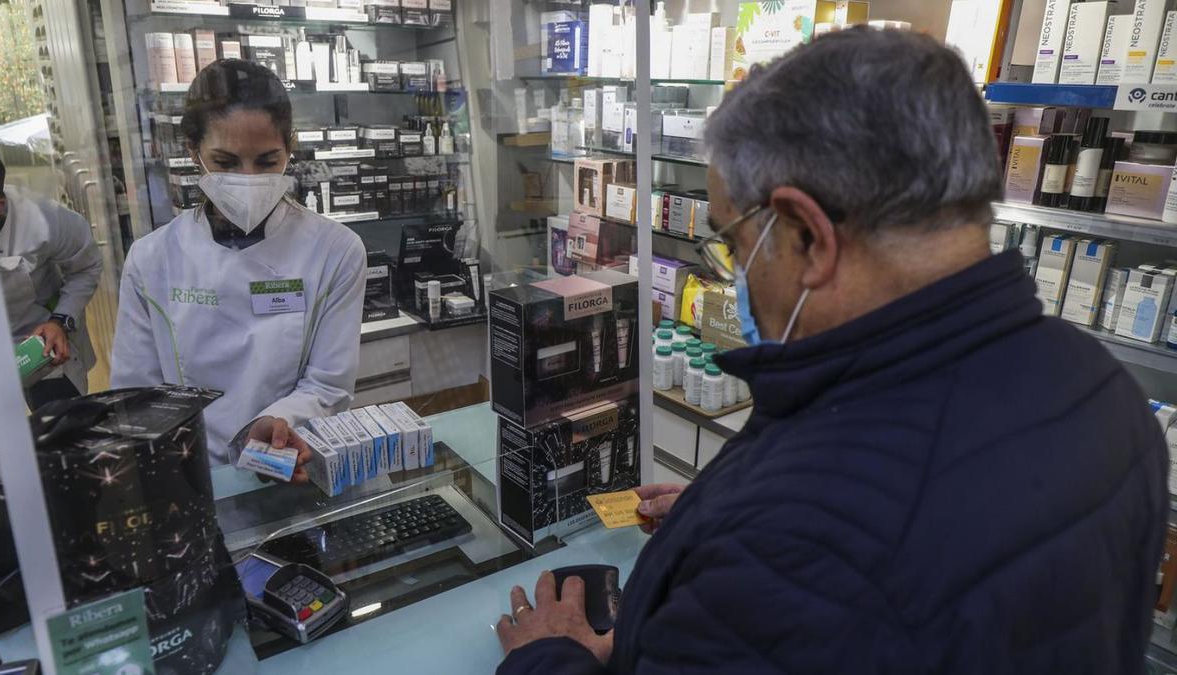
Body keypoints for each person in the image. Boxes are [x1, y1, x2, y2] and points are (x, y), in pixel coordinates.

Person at [494, 28, 1169, 673]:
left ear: (810, 238)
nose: (734, 270)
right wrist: (716, 511)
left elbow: (846, 550)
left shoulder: (783, 549)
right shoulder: (1108, 396)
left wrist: (549, 656)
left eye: (732, 240)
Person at [111, 59, 366, 478]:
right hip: (191, 473)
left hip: (292, 458)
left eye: (266, 162)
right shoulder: (153, 259)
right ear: (193, 151)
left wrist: (277, 424)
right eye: (226, 163)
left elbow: (329, 386)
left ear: (290, 147)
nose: (247, 179)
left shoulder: (335, 250)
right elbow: (136, 396)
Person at [0, 145, 103, 408]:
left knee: (64, 429)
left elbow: (86, 266)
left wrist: (60, 320)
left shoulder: (41, 218)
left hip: (42, 345)